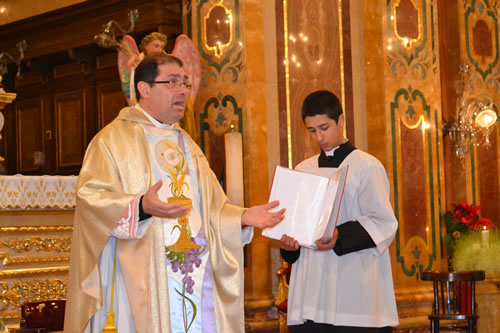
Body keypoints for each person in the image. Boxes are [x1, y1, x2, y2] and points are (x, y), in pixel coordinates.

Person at [64, 53, 285, 333]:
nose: (182, 90)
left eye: (185, 83)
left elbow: (213, 210)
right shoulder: (112, 141)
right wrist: (142, 206)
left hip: (193, 273)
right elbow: (90, 199)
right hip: (140, 281)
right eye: (171, 82)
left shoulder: (187, 144)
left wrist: (242, 216)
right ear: (144, 89)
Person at [280, 90, 399, 332]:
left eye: (324, 127)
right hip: (311, 290)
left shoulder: (366, 166)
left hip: (354, 290)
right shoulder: (303, 170)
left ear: (341, 121)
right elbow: (295, 226)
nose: (319, 137)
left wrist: (338, 235)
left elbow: (383, 223)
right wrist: (288, 246)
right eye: (311, 130)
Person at [120, 32, 168, 104]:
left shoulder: (168, 64)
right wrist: (128, 68)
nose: (159, 50)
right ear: (146, 46)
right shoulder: (137, 64)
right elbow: (128, 92)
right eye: (156, 46)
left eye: (162, 47)